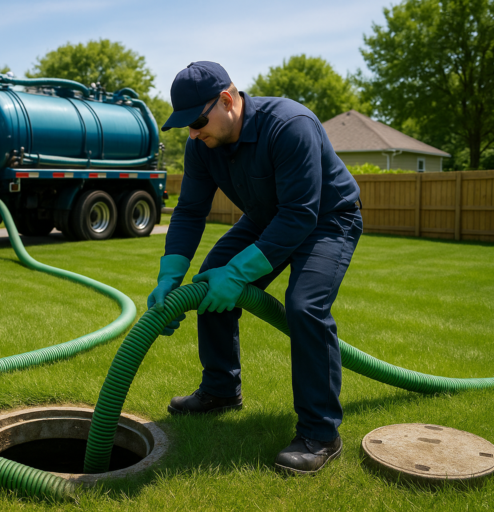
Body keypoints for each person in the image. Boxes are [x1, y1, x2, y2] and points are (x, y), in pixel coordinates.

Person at [149, 61, 363, 475]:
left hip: (328, 218)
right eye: (186, 126)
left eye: (196, 121)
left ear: (227, 100)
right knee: (209, 282)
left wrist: (238, 274)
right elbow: (190, 211)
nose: (192, 134)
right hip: (268, 217)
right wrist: (169, 278)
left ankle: (321, 434)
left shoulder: (290, 124)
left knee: (304, 307)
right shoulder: (202, 145)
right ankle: (220, 390)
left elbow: (301, 215)